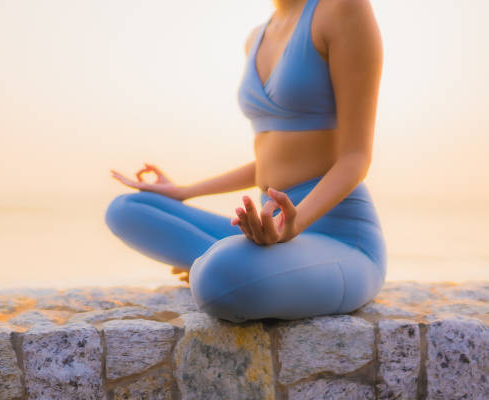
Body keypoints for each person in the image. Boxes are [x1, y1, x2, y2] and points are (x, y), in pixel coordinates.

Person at [105, 0, 386, 323]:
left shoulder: (343, 9)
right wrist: (185, 191)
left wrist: (289, 227)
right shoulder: (255, 37)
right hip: (269, 229)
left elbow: (355, 158)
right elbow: (269, 163)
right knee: (126, 209)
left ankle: (226, 264)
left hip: (338, 238)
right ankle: (238, 261)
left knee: (219, 281)